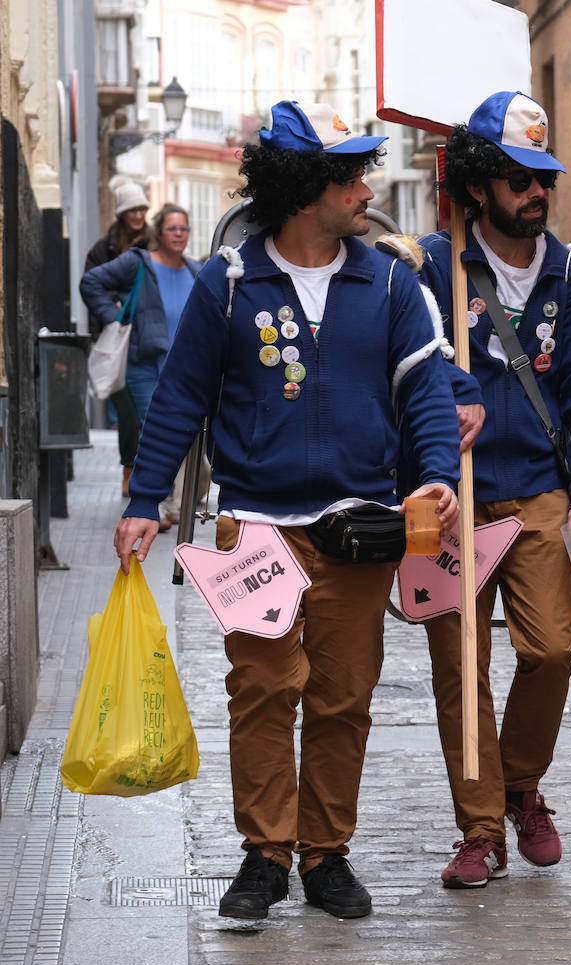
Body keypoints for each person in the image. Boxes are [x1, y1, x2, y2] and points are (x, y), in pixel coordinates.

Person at [112, 99, 469, 922]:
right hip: (255, 527)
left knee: (344, 695)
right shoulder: (229, 284)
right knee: (263, 689)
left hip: (361, 525)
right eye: (350, 173)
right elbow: (179, 398)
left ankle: (327, 852)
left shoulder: (389, 279)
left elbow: (425, 393)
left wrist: (437, 475)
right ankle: (265, 855)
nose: (365, 186)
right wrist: (142, 499)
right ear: (306, 188)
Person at [414, 90, 571, 889]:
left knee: (551, 648)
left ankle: (521, 783)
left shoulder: (568, 273)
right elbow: (415, 357)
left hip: (537, 488)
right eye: (520, 179)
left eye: (543, 178)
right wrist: (450, 383)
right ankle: (478, 829)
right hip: (452, 497)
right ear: (480, 187)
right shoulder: (432, 264)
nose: (537, 193)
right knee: (461, 668)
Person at [81, 204, 204, 529]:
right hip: (144, 365)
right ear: (158, 233)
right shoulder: (138, 263)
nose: (179, 235)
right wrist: (116, 319)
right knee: (157, 430)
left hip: (184, 369)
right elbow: (91, 282)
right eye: (172, 228)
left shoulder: (195, 271)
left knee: (191, 438)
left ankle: (176, 502)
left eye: (184, 229)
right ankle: (157, 504)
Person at [83, 176, 151, 497]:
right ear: (122, 212)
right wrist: (114, 314)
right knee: (127, 411)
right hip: (116, 342)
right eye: (132, 209)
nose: (138, 215)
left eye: (142, 209)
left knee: (146, 412)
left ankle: (147, 476)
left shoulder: (155, 242)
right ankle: (129, 468)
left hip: (148, 342)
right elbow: (92, 285)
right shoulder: (104, 248)